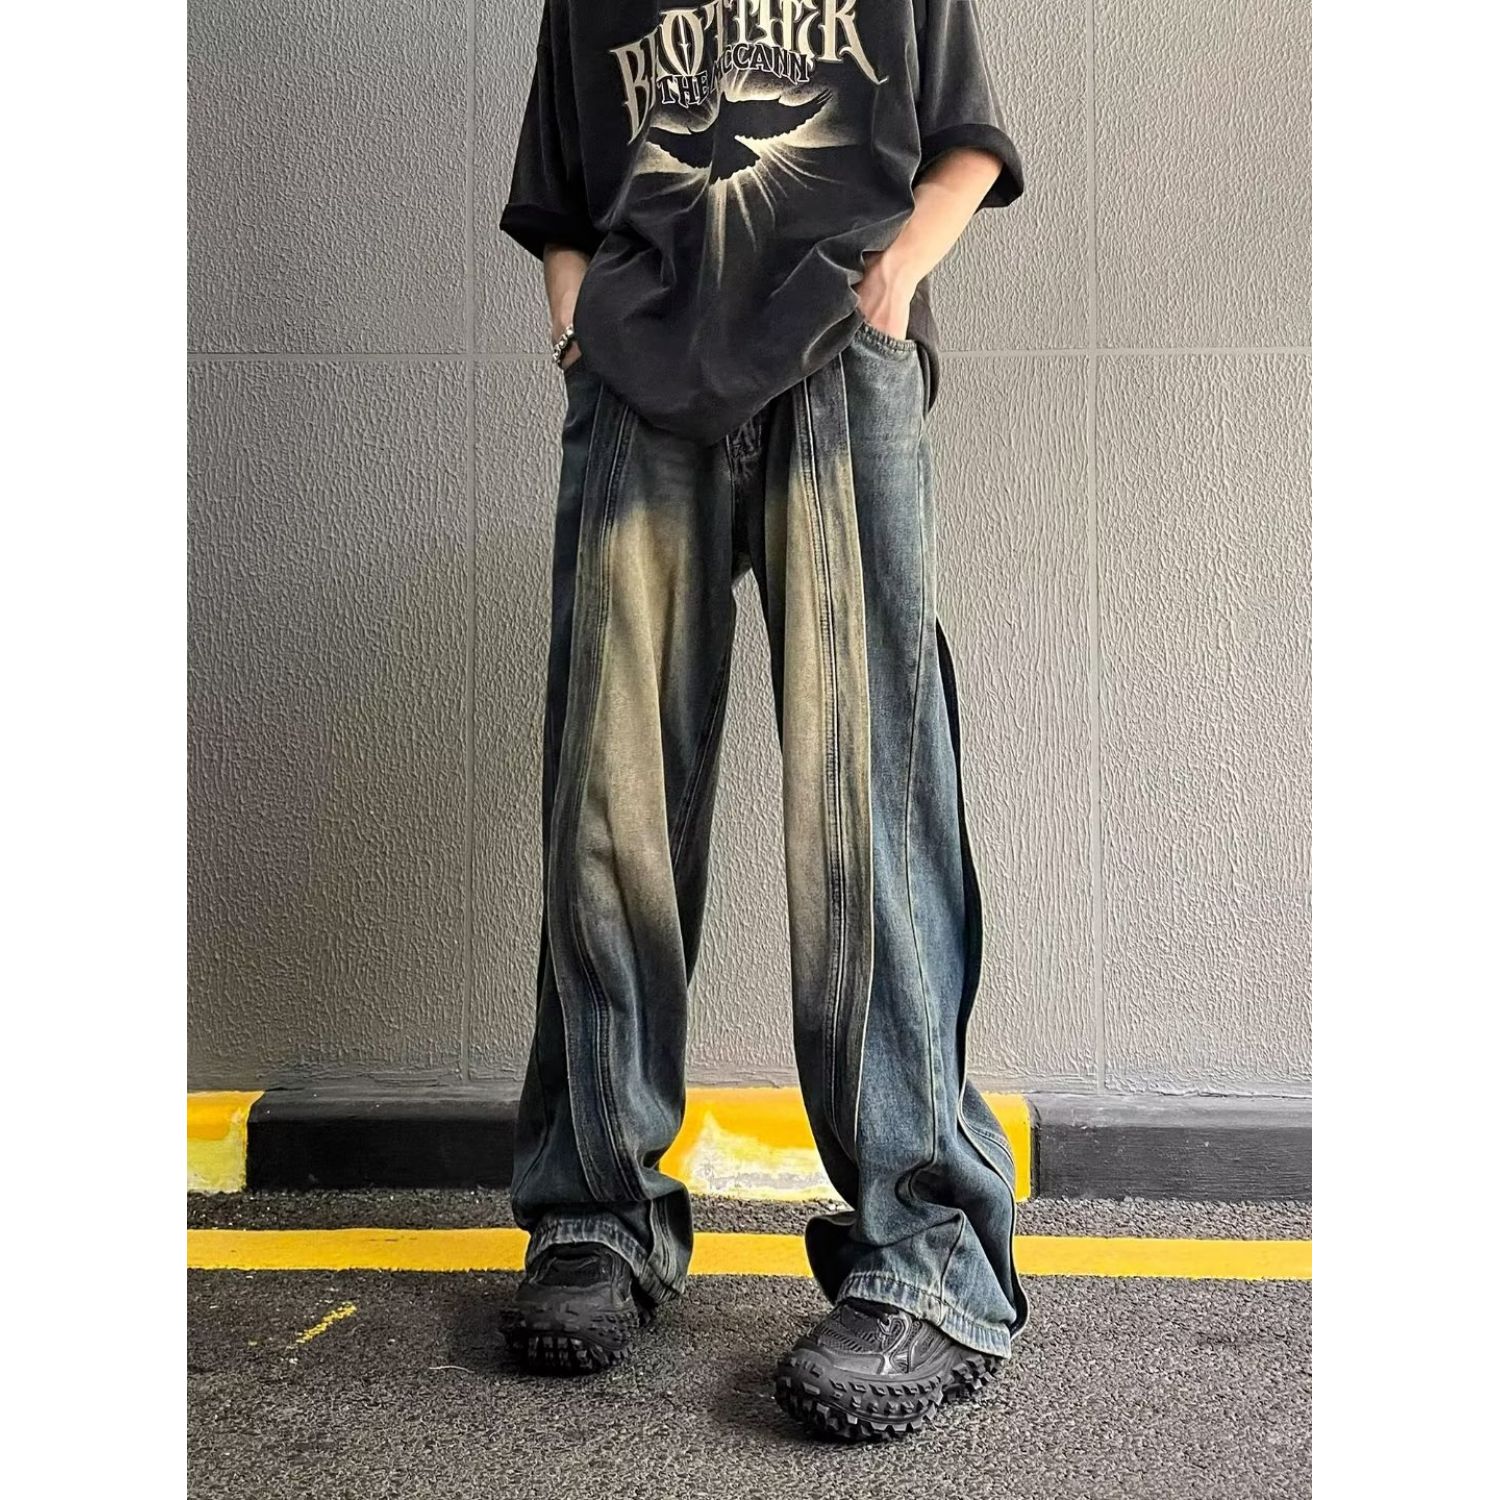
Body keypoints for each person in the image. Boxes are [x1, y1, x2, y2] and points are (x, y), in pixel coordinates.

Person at [497, 0, 1029, 1442]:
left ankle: (927, 1254)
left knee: (868, 804)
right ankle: (596, 1215)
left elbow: (967, 140)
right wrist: (575, 324)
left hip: (838, 360)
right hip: (635, 384)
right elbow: (559, 195)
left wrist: (894, 280)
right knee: (606, 804)